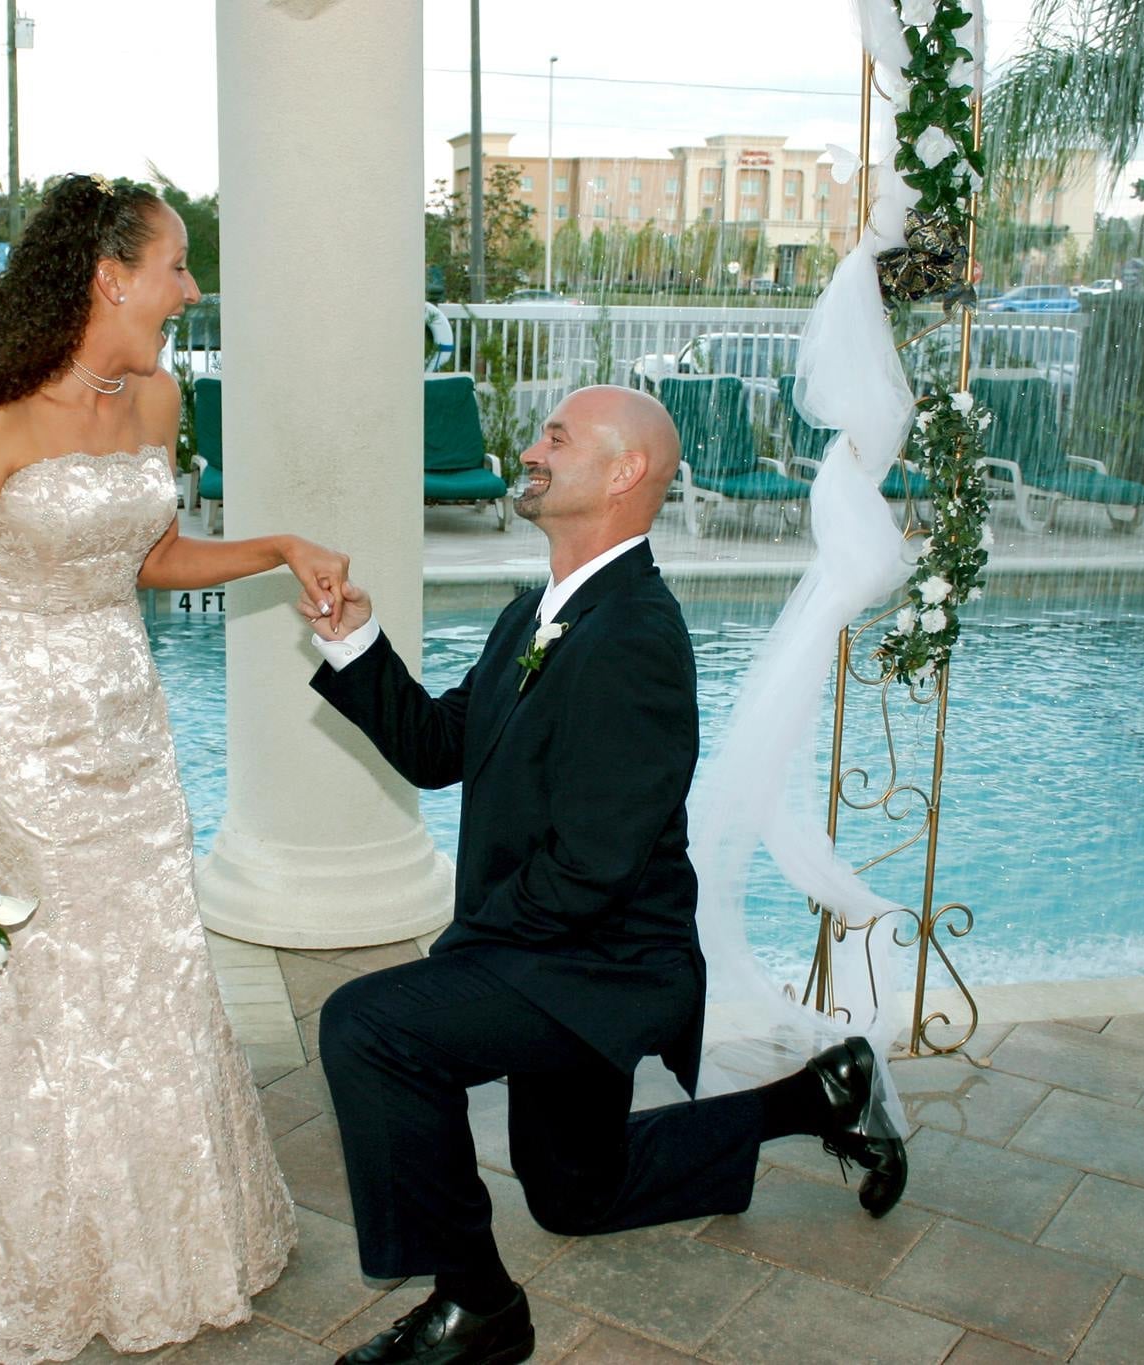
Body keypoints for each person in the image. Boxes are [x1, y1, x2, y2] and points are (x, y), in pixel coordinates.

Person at [299, 385, 907, 1365]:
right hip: (558, 947)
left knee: (372, 1026)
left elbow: (592, 867)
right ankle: (820, 1096)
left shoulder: (635, 640)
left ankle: (476, 1308)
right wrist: (353, 643)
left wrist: (466, 963)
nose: (529, 448)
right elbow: (438, 746)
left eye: (555, 436)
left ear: (624, 473)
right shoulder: (532, 615)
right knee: (575, 1196)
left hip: (602, 965)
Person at [0, 174, 336, 1363]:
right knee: (48, 978)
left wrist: (278, 547)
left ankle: (170, 1240)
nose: (190, 287)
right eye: (177, 265)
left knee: (156, 965)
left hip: (127, 728)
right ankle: (38, 1257)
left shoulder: (159, 401)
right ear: (108, 277)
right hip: (16, 736)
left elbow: (152, 555)